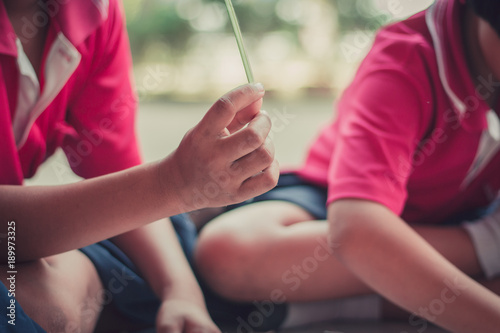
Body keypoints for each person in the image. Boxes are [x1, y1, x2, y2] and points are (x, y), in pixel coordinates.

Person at [195, 0, 500, 332]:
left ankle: (332, 305)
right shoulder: (407, 59)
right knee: (229, 252)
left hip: (450, 219)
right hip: (329, 203)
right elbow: (357, 230)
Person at [0, 0, 278, 332]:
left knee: (68, 294)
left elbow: (118, 173)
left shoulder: (94, 11)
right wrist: (173, 183)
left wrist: (182, 293)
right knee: (35, 308)